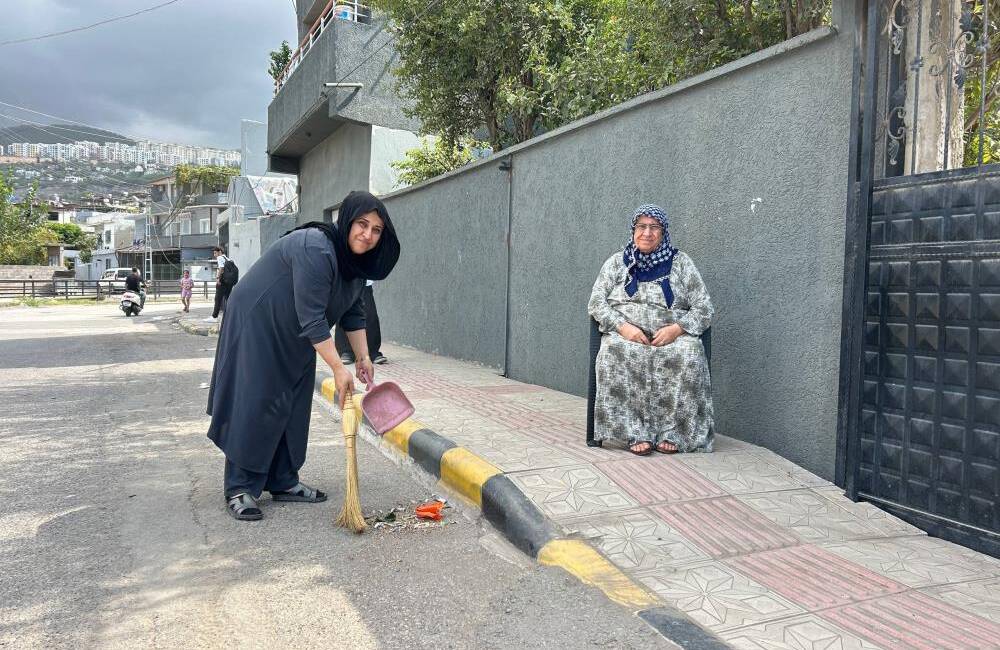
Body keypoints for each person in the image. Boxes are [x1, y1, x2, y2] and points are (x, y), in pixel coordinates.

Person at [206, 191, 400, 521]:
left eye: (377, 230)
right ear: (347, 222)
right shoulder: (318, 248)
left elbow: (353, 313)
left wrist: (363, 357)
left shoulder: (354, 265)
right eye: (362, 224)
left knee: (294, 401)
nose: (367, 235)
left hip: (296, 331)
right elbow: (312, 317)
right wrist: (339, 369)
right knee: (257, 398)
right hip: (258, 321)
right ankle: (240, 486)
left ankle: (283, 480)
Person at [587, 204, 714, 456]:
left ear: (663, 232)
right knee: (613, 351)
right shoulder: (616, 263)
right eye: (641, 227)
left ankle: (674, 433)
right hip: (626, 334)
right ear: (633, 230)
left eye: (654, 227)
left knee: (689, 353)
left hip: (670, 336)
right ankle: (633, 432)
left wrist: (677, 330)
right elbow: (596, 302)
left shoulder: (681, 262)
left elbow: (704, 306)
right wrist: (623, 327)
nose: (647, 233)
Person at [335, 280, 387, 365]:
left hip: (364, 280)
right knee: (343, 312)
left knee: (370, 314)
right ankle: (346, 351)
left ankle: (373, 352)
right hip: (344, 280)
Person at [211, 246, 231, 320]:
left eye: (215, 253)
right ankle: (229, 314)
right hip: (228, 282)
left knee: (217, 299)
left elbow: (221, 268)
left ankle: (214, 317)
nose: (214, 255)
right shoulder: (228, 259)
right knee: (227, 298)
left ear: (219, 252)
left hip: (222, 281)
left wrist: (218, 278)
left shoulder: (219, 258)